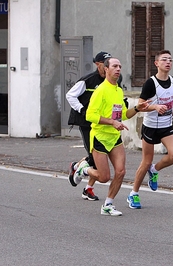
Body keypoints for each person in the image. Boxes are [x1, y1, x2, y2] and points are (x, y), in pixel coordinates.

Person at [73, 57, 150, 216]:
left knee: (120, 172)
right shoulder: (100, 90)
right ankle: (83, 170)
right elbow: (90, 115)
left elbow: (122, 114)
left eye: (120, 66)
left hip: (114, 137)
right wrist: (111, 122)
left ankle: (108, 205)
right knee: (103, 177)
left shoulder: (118, 90)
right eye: (115, 66)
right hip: (100, 136)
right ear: (106, 69)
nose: (118, 69)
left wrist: (137, 108)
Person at [127, 50, 173, 209]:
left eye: (170, 60)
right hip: (150, 127)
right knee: (146, 161)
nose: (168, 62)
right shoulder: (150, 83)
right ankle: (133, 194)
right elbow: (140, 106)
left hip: (166, 126)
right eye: (164, 59)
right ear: (156, 63)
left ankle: (155, 170)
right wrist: (155, 107)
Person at [66, 51, 112, 201]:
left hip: (103, 123)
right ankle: (78, 170)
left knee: (99, 157)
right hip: (87, 122)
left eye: (109, 64)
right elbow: (70, 95)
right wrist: (81, 109)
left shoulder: (112, 81)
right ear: (98, 65)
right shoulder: (88, 80)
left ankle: (87, 187)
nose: (108, 67)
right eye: (105, 64)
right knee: (95, 157)